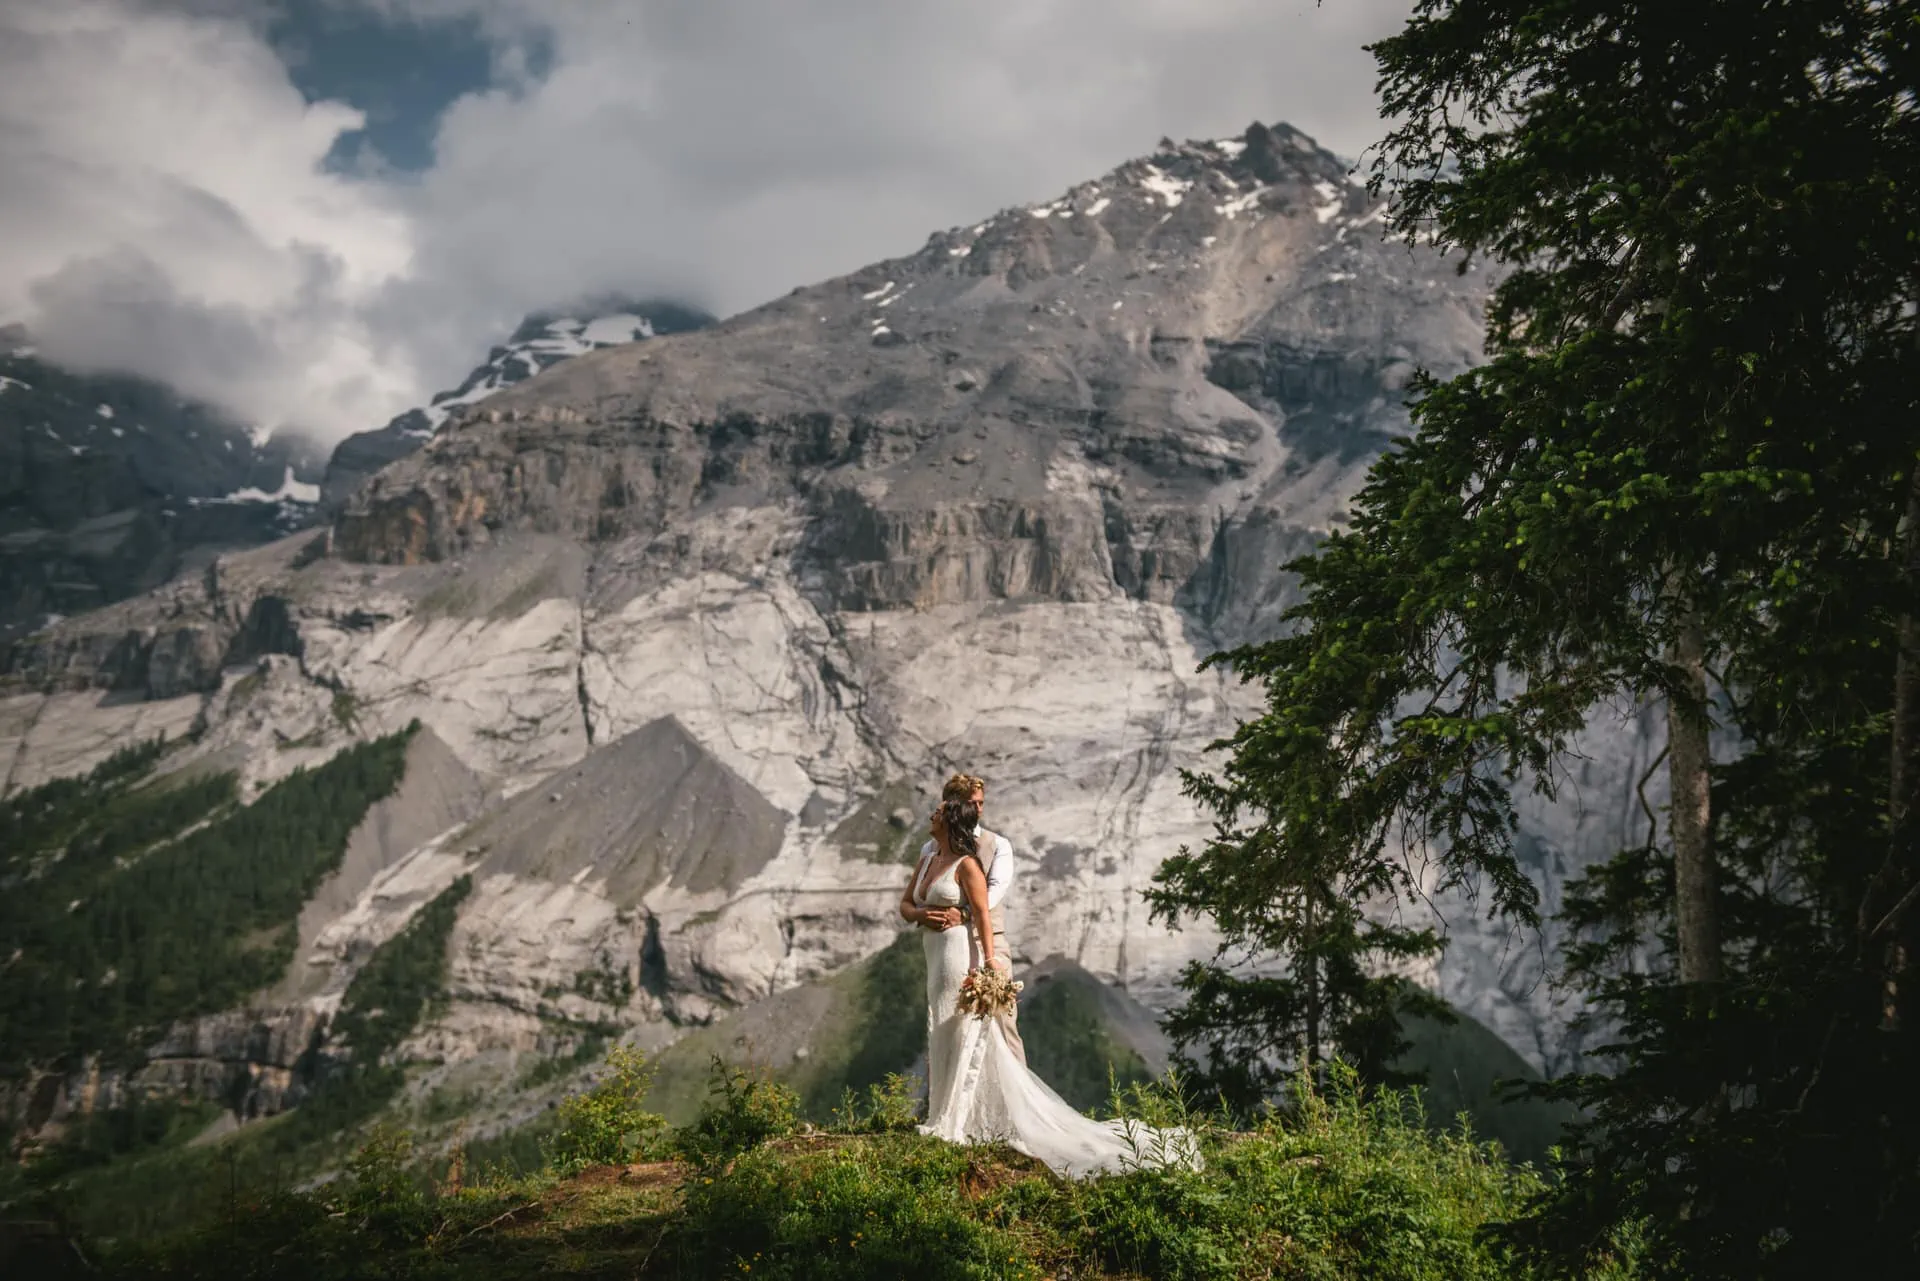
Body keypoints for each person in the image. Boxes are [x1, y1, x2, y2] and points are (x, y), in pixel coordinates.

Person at [898, 774, 1202, 1179]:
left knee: (998, 1030)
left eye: (981, 802)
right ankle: (950, 1111)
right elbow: (910, 902)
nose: (980, 808)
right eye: (973, 802)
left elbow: (990, 898)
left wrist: (982, 948)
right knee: (945, 1028)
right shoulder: (928, 852)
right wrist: (924, 914)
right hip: (938, 952)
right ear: (957, 806)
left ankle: (1013, 1114)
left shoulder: (994, 847)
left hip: (979, 945)